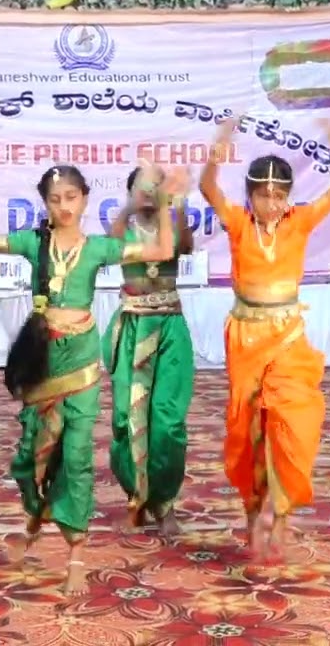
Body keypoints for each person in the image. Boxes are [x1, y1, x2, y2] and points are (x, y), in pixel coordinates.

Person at [0, 162, 185, 596]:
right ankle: (35, 518)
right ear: (45, 202)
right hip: (43, 361)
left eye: (72, 198)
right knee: (32, 454)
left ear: (84, 200)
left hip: (81, 360)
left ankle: (76, 553)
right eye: (55, 199)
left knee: (77, 455)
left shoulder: (97, 248)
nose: (64, 206)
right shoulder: (32, 243)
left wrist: (165, 203)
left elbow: (160, 250)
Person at [198, 116, 330, 563]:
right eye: (263, 195)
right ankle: (254, 515)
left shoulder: (300, 222)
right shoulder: (238, 222)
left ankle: (280, 516)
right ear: (250, 194)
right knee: (248, 432)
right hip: (246, 339)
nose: (271, 203)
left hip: (288, 338)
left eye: (279, 195)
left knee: (292, 426)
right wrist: (219, 146)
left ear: (288, 196)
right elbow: (208, 188)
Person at [102, 161, 196, 536]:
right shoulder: (124, 227)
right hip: (132, 328)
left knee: (167, 421)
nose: (148, 190)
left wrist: (177, 204)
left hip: (169, 327)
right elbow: (113, 244)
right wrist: (132, 203)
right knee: (126, 418)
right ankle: (136, 498)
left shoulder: (171, 225)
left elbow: (183, 246)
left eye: (155, 184)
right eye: (140, 185)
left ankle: (165, 502)